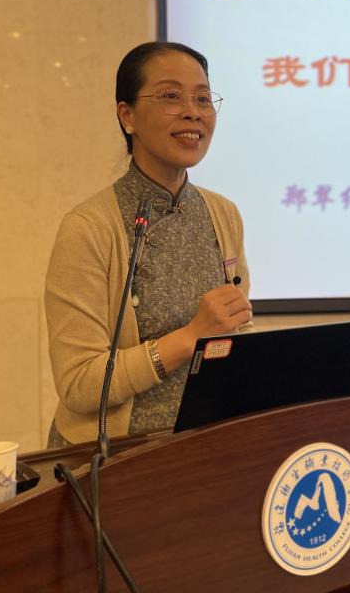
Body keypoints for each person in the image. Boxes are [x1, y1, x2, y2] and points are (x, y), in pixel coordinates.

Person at [45, 42, 253, 447]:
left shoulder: (223, 213)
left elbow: (235, 331)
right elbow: (78, 384)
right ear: (127, 116)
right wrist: (190, 338)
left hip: (204, 443)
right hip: (116, 456)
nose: (193, 112)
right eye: (171, 96)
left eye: (203, 98)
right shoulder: (88, 228)